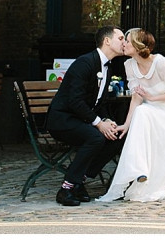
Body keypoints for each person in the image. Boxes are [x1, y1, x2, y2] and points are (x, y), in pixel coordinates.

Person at [97, 28, 165, 202]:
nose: (123, 44)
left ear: (137, 45)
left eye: (126, 40)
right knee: (141, 111)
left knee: (144, 111)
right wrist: (126, 124)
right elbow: (136, 98)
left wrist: (154, 98)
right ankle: (140, 170)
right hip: (151, 113)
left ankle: (141, 170)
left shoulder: (160, 62)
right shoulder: (129, 65)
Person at [46, 26, 125, 206]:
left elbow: (100, 102)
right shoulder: (85, 63)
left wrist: (107, 120)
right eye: (120, 38)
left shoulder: (107, 66)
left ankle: (79, 180)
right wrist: (98, 123)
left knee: (117, 137)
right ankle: (66, 189)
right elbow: (75, 101)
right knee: (96, 137)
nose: (124, 43)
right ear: (107, 41)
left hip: (81, 119)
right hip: (62, 120)